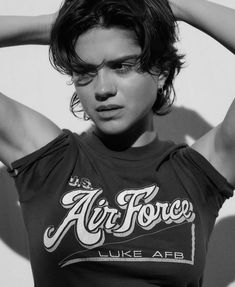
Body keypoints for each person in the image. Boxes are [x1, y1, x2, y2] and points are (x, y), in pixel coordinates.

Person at [0, 0, 234, 286]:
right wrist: (53, 26)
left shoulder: (200, 172)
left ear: (160, 72)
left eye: (121, 66)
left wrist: (171, 6)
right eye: (84, 71)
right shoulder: (48, 160)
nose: (102, 89)